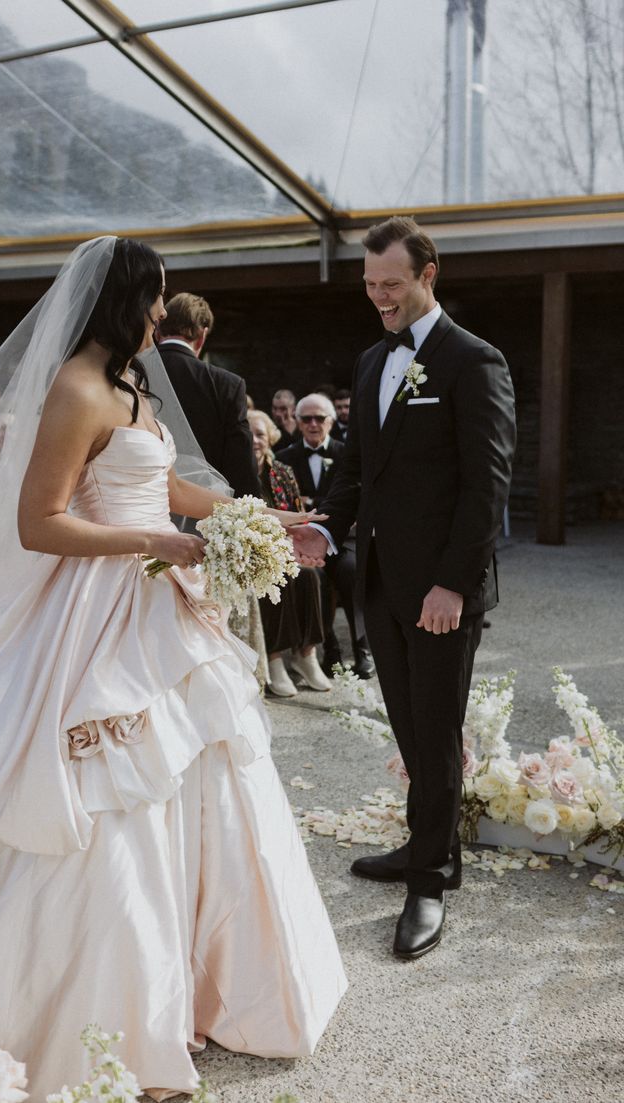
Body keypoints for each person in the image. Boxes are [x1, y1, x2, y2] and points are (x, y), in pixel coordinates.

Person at [0, 238, 346, 1099]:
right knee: (109, 791)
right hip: (95, 611)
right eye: (152, 301)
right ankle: (105, 1007)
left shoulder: (134, 390)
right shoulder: (74, 388)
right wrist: (154, 543)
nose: (158, 317)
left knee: (195, 771)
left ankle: (210, 980)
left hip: (161, 602)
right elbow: (40, 522)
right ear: (120, 302)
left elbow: (171, 486)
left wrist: (270, 518)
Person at [291, 216, 516, 960]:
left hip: (441, 593)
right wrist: (322, 531)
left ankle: (429, 879)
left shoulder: (472, 361)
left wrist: (453, 583)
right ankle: (424, 842)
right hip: (383, 585)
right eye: (369, 285)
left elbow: (487, 487)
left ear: (429, 275)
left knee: (437, 728)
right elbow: (358, 468)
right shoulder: (370, 361)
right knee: (409, 727)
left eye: (391, 284)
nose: (379, 297)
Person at [277, 394, 374, 681]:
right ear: (297, 422)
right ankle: (328, 648)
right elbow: (286, 506)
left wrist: (313, 503)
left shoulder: (348, 455)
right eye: (306, 418)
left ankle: (363, 650)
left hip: (345, 539)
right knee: (312, 578)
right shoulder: (284, 459)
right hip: (304, 539)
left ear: (331, 421)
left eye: (320, 417)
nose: (313, 424)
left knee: (350, 571)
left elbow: (360, 498)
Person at [248, 408, 331, 696]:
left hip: (285, 545)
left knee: (309, 575)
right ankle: (274, 657)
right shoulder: (238, 470)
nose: (256, 440)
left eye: (261, 434)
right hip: (252, 549)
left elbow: (297, 514)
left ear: (270, 438)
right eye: (250, 434)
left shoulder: (282, 471)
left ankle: (306, 654)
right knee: (274, 575)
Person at [157, 293, 259, 499]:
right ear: (202, 336)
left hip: (145, 500)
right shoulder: (227, 384)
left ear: (158, 330)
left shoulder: (132, 373)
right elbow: (240, 459)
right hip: (207, 504)